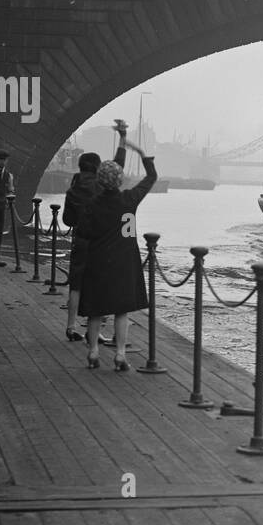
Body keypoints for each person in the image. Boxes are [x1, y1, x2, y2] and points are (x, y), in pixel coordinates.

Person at [74, 141, 158, 370]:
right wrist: (145, 157)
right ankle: (120, 354)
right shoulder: (130, 199)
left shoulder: (92, 205)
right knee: (122, 310)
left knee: (95, 310)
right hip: (124, 262)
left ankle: (93, 352)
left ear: (100, 180)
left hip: (98, 261)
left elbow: (83, 232)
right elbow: (151, 179)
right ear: (120, 180)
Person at [62, 126, 128, 342]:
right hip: (101, 243)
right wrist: (123, 138)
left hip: (80, 241)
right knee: (99, 286)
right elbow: (117, 167)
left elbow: (67, 220)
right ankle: (96, 331)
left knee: (77, 285)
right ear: (97, 168)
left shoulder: (72, 190)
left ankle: (71, 328)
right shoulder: (101, 186)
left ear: (80, 167)